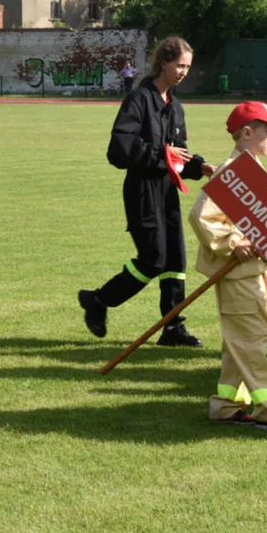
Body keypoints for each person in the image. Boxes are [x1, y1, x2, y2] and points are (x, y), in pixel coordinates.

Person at [79, 37, 215, 346]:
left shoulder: (176, 107)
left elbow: (179, 157)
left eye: (188, 67)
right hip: (142, 190)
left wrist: (200, 167)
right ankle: (99, 300)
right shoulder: (139, 99)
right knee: (153, 259)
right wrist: (160, 156)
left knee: (175, 262)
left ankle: (172, 327)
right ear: (164, 63)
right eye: (180, 65)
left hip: (167, 191)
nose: (184, 72)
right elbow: (119, 150)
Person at [189, 101, 267, 431]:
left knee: (241, 340)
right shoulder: (232, 172)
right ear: (246, 132)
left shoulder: (251, 169)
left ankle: (226, 405)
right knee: (250, 340)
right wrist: (233, 242)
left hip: (254, 272)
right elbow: (201, 216)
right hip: (239, 274)